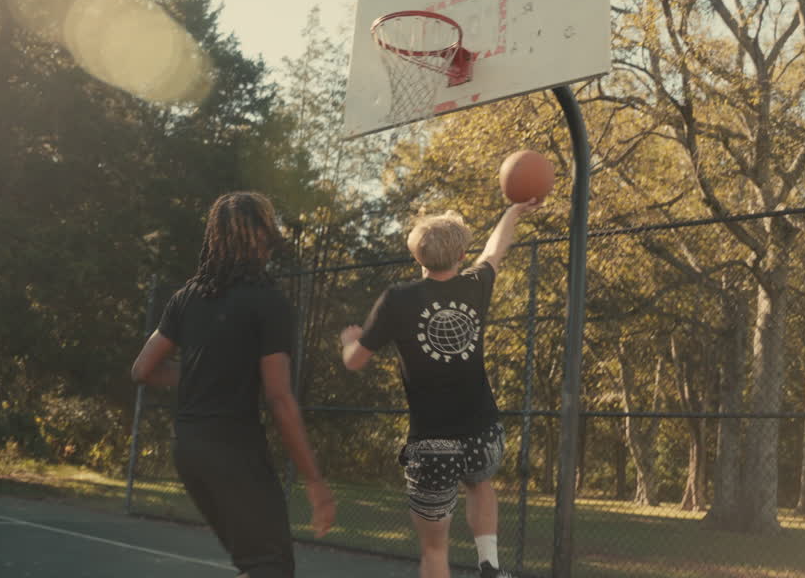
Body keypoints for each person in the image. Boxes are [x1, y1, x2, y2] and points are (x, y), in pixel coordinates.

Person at [131, 191, 335, 578]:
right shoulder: (269, 303)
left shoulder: (186, 297)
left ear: (216, 239)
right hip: (234, 451)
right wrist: (314, 481)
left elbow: (143, 369)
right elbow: (279, 398)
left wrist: (202, 372)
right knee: (270, 566)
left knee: (256, 564)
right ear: (261, 235)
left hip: (189, 450)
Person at [339, 200, 540, 578]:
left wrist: (350, 340)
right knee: (480, 482)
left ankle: (485, 568)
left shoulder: (397, 299)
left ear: (417, 254)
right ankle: (489, 565)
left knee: (434, 549)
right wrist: (513, 211)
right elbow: (495, 249)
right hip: (482, 435)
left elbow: (354, 361)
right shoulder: (475, 286)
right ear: (461, 255)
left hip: (431, 444)